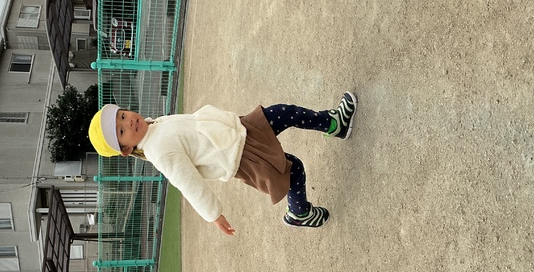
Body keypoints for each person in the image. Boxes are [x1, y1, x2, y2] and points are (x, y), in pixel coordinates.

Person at [88, 93, 357, 235]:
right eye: (121, 131)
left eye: (122, 116)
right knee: (292, 170)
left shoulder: (153, 127)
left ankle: (333, 123)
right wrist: (213, 214)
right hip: (240, 155)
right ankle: (300, 213)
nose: (128, 122)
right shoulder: (160, 151)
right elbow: (189, 184)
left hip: (240, 131)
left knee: (283, 113)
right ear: (126, 149)